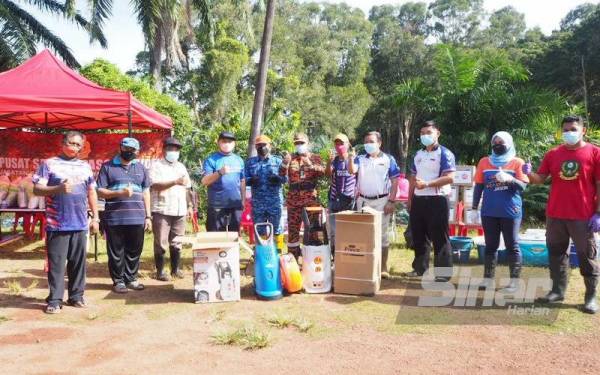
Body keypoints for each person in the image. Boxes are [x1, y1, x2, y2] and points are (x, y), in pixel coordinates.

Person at [525, 115, 600, 314]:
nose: (569, 133)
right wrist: (528, 173)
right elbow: (540, 179)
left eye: (573, 129)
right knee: (557, 254)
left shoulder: (595, 153)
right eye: (565, 130)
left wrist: (598, 213)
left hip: (583, 215)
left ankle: (590, 296)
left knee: (587, 255)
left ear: (583, 130)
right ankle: (557, 291)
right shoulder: (553, 154)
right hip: (555, 214)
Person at [33, 131, 99, 314]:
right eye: (71, 143)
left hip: (80, 223)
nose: (75, 148)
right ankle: (54, 300)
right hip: (57, 223)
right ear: (63, 143)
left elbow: (92, 192)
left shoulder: (85, 166)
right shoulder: (49, 164)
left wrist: (96, 217)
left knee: (78, 263)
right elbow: (37, 189)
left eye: (78, 145)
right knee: (57, 264)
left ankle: (76, 296)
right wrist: (58, 188)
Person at [472, 132, 529, 293]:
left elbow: (523, 186)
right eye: (495, 142)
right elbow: (478, 186)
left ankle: (514, 283)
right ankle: (488, 279)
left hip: (510, 211)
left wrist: (511, 179)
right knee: (490, 245)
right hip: (489, 211)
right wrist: (474, 208)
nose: (497, 144)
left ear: (509, 143)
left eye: (501, 142)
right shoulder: (484, 162)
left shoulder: (517, 162)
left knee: (512, 245)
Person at [97, 137, 152, 294]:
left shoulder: (141, 168)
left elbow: (146, 192)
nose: (129, 152)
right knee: (116, 251)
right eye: (126, 149)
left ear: (137, 151)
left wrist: (148, 216)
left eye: (132, 150)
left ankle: (131, 279)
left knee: (134, 250)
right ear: (120, 148)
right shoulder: (107, 167)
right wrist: (120, 192)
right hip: (114, 217)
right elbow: (100, 191)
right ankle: (118, 281)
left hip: (137, 216)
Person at [407, 121, 456, 281]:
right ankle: (420, 269)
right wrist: (410, 199)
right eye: (422, 133)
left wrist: (427, 184)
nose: (425, 136)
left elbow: (450, 177)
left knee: (439, 237)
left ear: (437, 134)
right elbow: (413, 179)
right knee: (419, 236)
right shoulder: (418, 154)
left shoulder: (445, 153)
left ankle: (443, 274)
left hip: (437, 199)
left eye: (429, 132)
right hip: (418, 199)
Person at [356, 131, 401, 279]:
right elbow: (351, 170)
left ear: (379, 143)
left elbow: (395, 181)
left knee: (382, 235)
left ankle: (383, 267)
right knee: (363, 235)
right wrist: (350, 157)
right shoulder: (360, 159)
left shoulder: (389, 159)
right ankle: (365, 265)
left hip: (382, 201)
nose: (368, 144)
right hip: (363, 201)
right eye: (366, 142)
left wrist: (391, 201)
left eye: (371, 141)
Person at [149, 137, 193, 281]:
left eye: (176, 149)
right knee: (161, 243)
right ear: (164, 149)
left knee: (177, 242)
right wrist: (174, 182)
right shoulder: (156, 165)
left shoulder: (181, 167)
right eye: (170, 149)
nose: (173, 151)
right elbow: (154, 185)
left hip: (180, 210)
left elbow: (187, 188)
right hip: (162, 209)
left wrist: (190, 206)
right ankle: (160, 272)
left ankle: (175, 269)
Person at [280, 133, 325, 258]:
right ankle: (293, 260)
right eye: (296, 143)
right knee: (293, 230)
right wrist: (284, 163)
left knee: (312, 229)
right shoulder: (290, 157)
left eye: (301, 143)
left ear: (307, 143)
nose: (299, 145)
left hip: (310, 199)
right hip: (293, 200)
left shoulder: (315, 157)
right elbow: (281, 174)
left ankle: (311, 258)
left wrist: (310, 164)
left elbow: (323, 173)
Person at [244, 135, 287, 251]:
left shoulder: (278, 161)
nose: (261, 147)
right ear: (255, 147)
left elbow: (286, 179)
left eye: (264, 145)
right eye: (258, 145)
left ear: (270, 146)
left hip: (274, 202)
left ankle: (278, 254)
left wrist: (278, 178)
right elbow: (244, 180)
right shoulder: (250, 162)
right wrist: (251, 180)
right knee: (260, 229)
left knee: (277, 229)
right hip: (258, 203)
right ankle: (262, 254)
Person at [201, 131, 245, 232]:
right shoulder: (211, 160)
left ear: (234, 144)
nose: (227, 144)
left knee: (234, 236)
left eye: (230, 141)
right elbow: (204, 181)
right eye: (224, 141)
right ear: (218, 142)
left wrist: (242, 200)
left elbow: (242, 181)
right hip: (217, 205)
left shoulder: (239, 160)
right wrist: (219, 172)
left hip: (235, 205)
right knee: (216, 238)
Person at [326, 133, 358, 251]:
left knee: (348, 229)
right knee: (334, 230)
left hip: (349, 200)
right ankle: (335, 254)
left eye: (341, 143)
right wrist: (329, 162)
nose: (339, 146)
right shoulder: (334, 160)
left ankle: (347, 253)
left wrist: (350, 158)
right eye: (337, 143)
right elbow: (328, 174)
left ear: (348, 145)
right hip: (334, 198)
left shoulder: (355, 158)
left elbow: (353, 172)